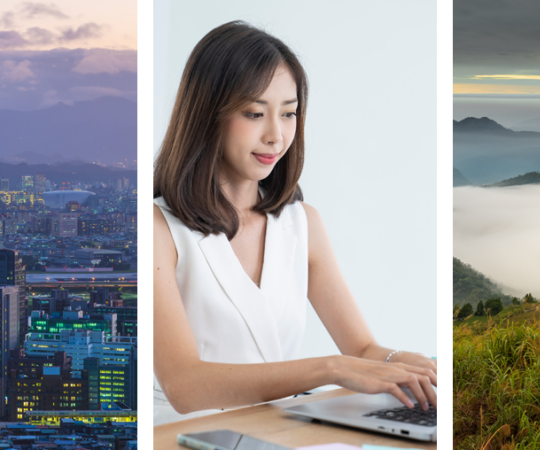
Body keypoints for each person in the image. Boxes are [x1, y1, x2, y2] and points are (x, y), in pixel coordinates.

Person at [153, 20, 437, 427]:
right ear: (207, 114)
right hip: (183, 435)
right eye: (254, 113)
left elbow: (362, 349)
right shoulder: (159, 229)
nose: (276, 136)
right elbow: (185, 386)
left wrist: (409, 364)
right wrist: (328, 369)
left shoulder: (301, 223)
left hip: (277, 432)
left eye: (289, 114)